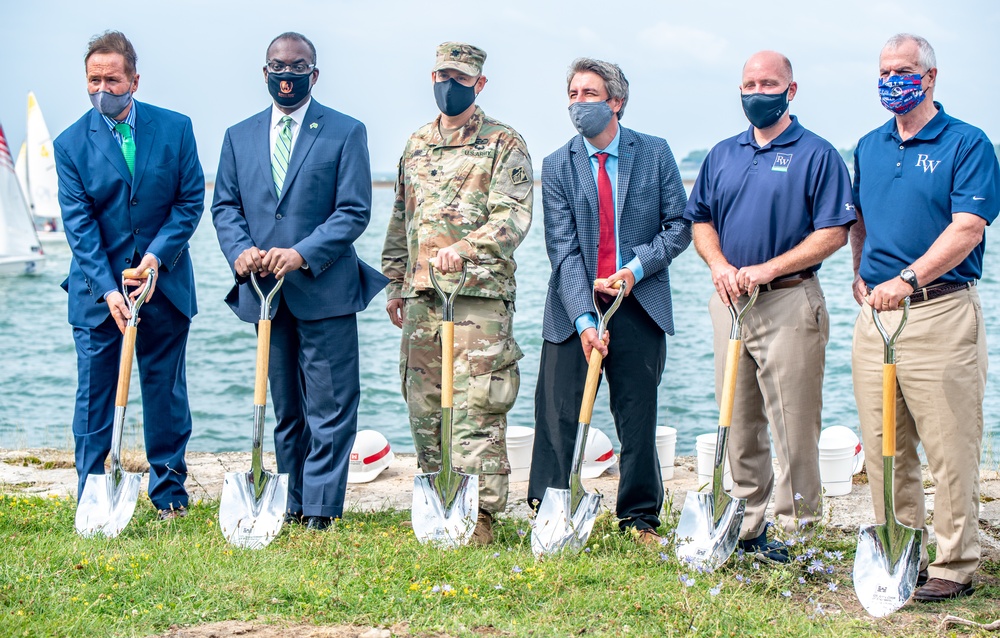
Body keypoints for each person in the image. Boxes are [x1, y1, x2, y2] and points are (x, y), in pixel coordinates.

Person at [684, 51, 856, 562]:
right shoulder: (722, 154)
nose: (757, 92)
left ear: (791, 90)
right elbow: (701, 221)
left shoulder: (818, 154)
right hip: (731, 303)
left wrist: (769, 268)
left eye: (768, 83)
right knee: (736, 422)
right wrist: (717, 264)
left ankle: (799, 530)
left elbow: (834, 233)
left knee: (794, 425)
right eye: (749, 84)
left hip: (789, 301)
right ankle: (748, 525)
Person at [212, 32, 387, 531]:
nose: (286, 74)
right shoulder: (237, 135)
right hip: (265, 292)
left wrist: (302, 253)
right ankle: (288, 502)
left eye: (297, 66)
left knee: (330, 408)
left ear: (314, 73)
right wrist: (239, 249)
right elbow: (224, 205)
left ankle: (321, 511)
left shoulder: (345, 131)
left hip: (324, 287)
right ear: (263, 71)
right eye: (277, 65)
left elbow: (354, 210)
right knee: (286, 407)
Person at [851, 33, 999, 600]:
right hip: (877, 316)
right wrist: (860, 272)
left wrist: (909, 279)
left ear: (930, 76)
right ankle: (900, 548)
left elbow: (968, 229)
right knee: (886, 444)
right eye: (885, 71)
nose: (893, 80)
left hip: (941, 312)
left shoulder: (967, 142)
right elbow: (858, 216)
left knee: (950, 445)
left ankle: (956, 563)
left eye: (904, 71)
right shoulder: (869, 144)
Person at [527, 58, 690, 545]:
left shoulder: (655, 153)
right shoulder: (557, 164)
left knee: (637, 416)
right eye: (573, 94)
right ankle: (551, 511)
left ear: (616, 102)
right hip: (574, 306)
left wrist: (635, 270)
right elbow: (564, 249)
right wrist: (583, 320)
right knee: (557, 412)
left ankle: (639, 520)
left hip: (638, 301)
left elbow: (679, 226)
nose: (579, 103)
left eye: (590, 94)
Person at [382, 42, 532, 545]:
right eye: (443, 74)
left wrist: (466, 248)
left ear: (479, 84)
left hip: (479, 299)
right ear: (432, 77)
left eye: (461, 77)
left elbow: (512, 217)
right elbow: (402, 215)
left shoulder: (503, 143)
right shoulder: (417, 142)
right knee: (425, 405)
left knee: (476, 408)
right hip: (423, 296)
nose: (450, 84)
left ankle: (482, 517)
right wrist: (394, 281)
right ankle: (440, 503)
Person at [54, 30, 203, 519]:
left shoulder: (176, 128)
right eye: (93, 80)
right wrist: (106, 289)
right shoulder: (70, 144)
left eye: (111, 79)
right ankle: (93, 497)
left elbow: (189, 201)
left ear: (134, 80)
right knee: (94, 400)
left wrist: (156, 258)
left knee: (165, 395)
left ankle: (169, 497)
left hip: (164, 285)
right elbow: (79, 226)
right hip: (99, 295)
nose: (102, 89)